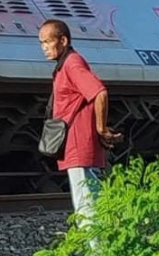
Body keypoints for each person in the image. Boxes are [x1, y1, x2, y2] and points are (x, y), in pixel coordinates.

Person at [39, 19, 122, 226]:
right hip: (76, 146)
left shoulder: (72, 64)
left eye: (47, 42)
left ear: (63, 40)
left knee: (87, 206)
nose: (44, 48)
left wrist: (101, 128)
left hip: (79, 145)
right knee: (88, 202)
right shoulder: (66, 64)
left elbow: (99, 92)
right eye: (41, 43)